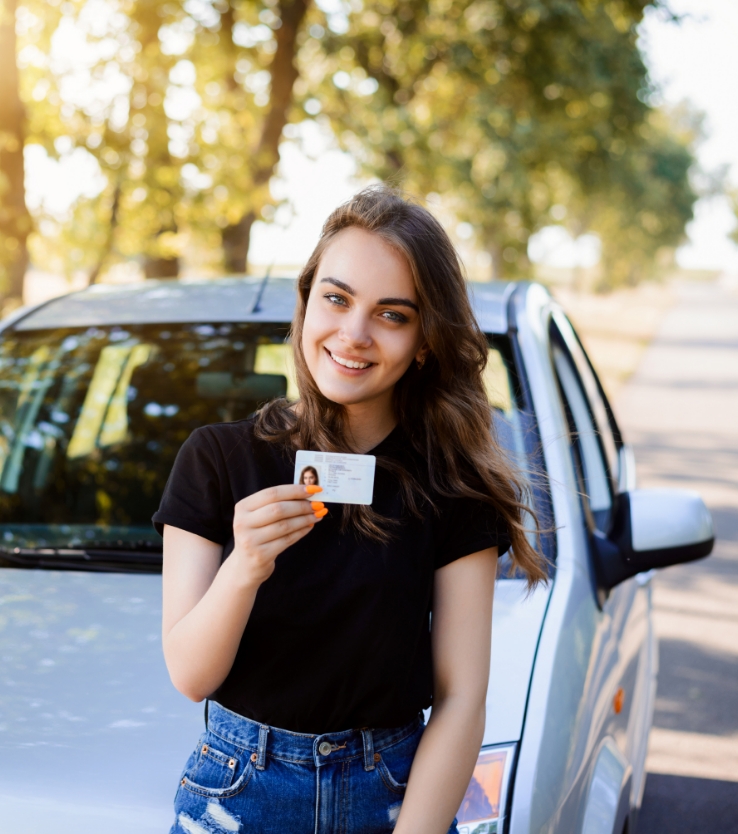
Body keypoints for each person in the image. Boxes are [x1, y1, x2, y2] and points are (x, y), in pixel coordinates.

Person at [153, 186, 547, 834]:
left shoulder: (452, 486)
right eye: (336, 299)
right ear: (307, 302)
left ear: (424, 341)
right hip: (239, 792)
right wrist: (244, 566)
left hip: (393, 794)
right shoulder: (216, 459)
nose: (354, 334)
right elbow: (192, 676)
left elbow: (462, 699)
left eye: (392, 314)